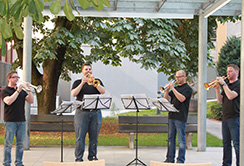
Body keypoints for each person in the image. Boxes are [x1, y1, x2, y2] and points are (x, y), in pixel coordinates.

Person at [71, 63, 105, 162]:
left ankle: (92, 157)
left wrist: (95, 83)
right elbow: (73, 94)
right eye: (86, 69)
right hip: (81, 113)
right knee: (80, 137)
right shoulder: (77, 82)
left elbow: (103, 92)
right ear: (82, 71)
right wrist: (82, 83)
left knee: (94, 137)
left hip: (95, 112)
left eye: (90, 69)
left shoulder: (96, 81)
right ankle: (79, 158)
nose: (88, 71)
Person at [1, 71, 34, 166]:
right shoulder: (5, 91)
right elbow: (8, 101)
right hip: (10, 120)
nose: (17, 79)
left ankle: (19, 162)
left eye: (18, 77)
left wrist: (29, 90)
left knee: (20, 144)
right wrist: (18, 91)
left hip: (21, 120)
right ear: (9, 79)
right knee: (8, 144)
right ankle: (6, 162)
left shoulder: (22, 91)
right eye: (15, 77)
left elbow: (31, 101)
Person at [163, 70, 192, 163]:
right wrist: (166, 91)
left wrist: (173, 89)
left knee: (181, 141)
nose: (177, 79)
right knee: (170, 139)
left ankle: (180, 160)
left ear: (184, 77)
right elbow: (166, 99)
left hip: (180, 117)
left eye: (179, 77)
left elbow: (182, 98)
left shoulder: (187, 88)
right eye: (176, 77)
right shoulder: (175, 88)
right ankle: (169, 159)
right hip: (172, 116)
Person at [214, 64, 240, 166]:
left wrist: (223, 84)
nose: (227, 73)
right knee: (226, 144)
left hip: (235, 117)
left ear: (236, 72)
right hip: (225, 117)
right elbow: (220, 100)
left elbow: (230, 96)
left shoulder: (239, 85)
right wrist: (217, 89)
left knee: (237, 145)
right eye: (227, 71)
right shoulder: (227, 85)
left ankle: (239, 163)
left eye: (230, 71)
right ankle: (226, 164)